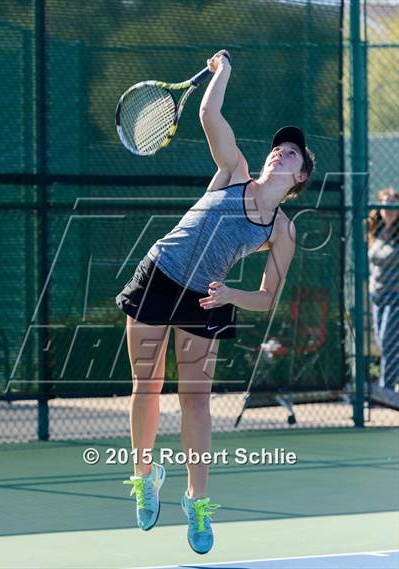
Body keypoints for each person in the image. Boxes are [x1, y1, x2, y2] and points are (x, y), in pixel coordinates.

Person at [116, 50, 315, 554]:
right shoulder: (234, 169)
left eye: (291, 154)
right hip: (159, 274)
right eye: (278, 149)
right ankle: (144, 477)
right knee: (147, 384)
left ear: (301, 178)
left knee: (196, 401)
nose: (280, 153)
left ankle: (197, 504)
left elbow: (267, 297)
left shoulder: (282, 231)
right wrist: (222, 74)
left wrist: (229, 294)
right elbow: (208, 116)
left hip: (206, 298)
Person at [368, 187, 399, 405]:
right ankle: (385, 390)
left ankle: (385, 392)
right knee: (383, 342)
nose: (388, 209)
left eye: (393, 205)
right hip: (375, 296)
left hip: (395, 297)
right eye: (385, 204)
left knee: (388, 344)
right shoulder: (375, 232)